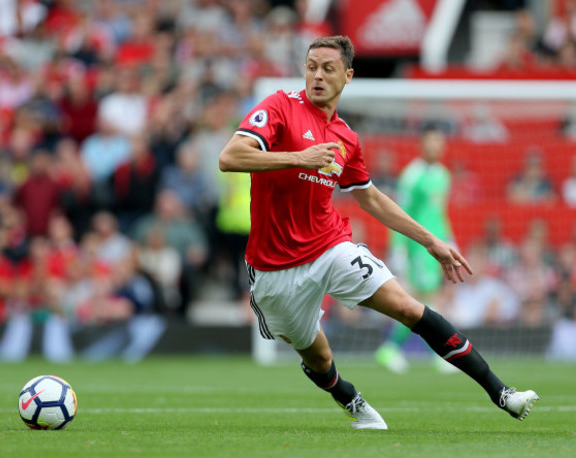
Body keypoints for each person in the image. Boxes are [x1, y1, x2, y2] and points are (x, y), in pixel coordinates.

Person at [218, 35, 538, 430]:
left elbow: (371, 198)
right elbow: (229, 157)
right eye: (311, 66)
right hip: (275, 267)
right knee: (317, 357)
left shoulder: (346, 138)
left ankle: (503, 393)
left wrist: (432, 241)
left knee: (408, 307)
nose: (317, 76)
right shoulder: (280, 106)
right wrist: (299, 157)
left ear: (347, 76)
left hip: (330, 246)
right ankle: (349, 398)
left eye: (328, 68)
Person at [375, 124, 456, 374]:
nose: (434, 146)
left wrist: (450, 239)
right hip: (419, 248)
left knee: (426, 300)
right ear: (422, 144)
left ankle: (393, 349)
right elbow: (399, 214)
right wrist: (398, 249)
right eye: (430, 141)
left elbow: (439, 213)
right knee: (427, 299)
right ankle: (427, 352)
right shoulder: (412, 176)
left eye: (438, 142)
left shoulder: (443, 175)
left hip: (437, 247)